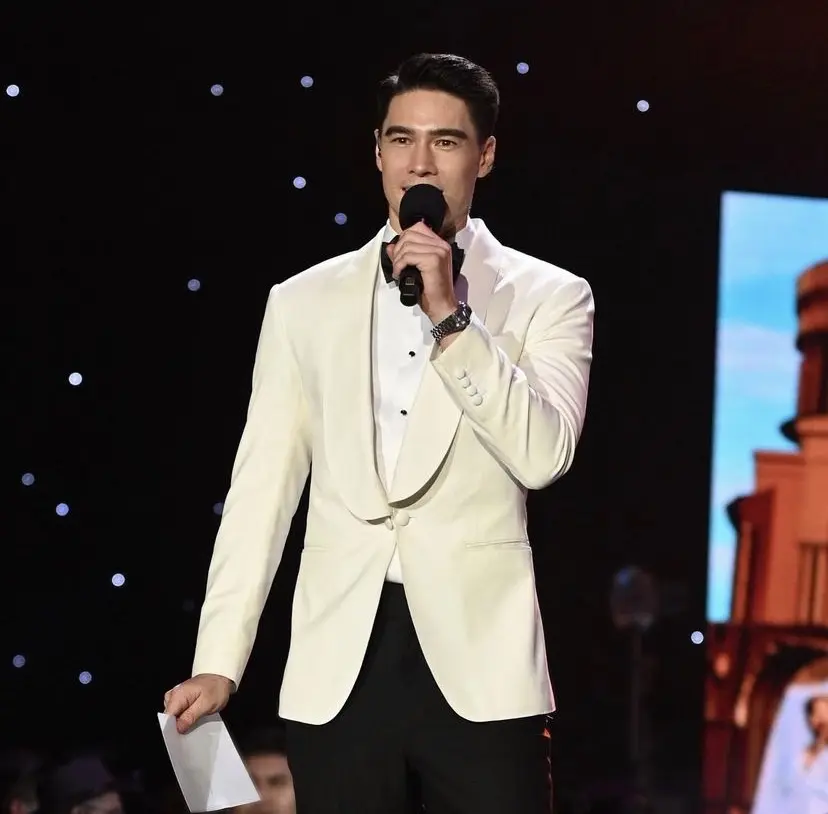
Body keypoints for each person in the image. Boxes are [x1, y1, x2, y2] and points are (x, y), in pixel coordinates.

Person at [164, 52, 594, 813]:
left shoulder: (548, 295)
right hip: (338, 663)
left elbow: (543, 454)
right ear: (377, 151)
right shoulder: (302, 301)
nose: (419, 162)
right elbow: (262, 490)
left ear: (485, 156)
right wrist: (219, 658)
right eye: (401, 139)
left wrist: (450, 318)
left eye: (446, 142)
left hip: (482, 667)